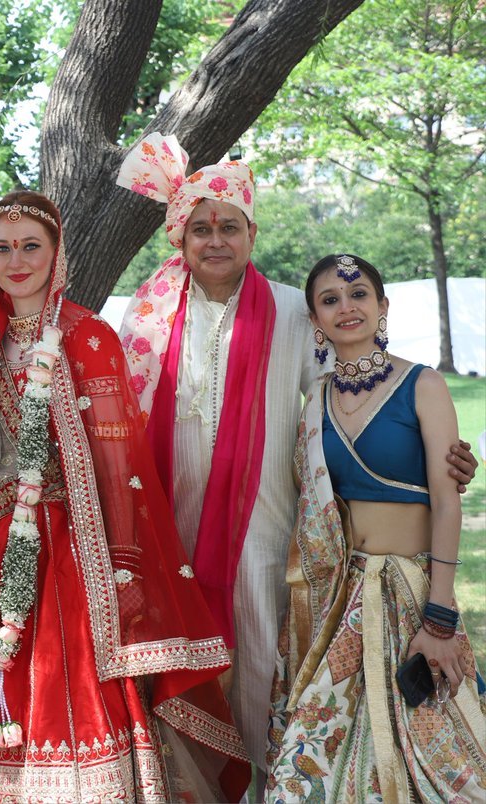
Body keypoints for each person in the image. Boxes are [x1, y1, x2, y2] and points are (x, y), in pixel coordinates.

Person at [114, 133, 478, 783]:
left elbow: (351, 397)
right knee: (173, 681)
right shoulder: (145, 319)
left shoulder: (291, 310)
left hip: (270, 536)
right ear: (181, 237)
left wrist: (433, 457)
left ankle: (263, 787)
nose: (216, 239)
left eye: (230, 225)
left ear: (251, 235)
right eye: (201, 227)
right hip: (170, 534)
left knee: (262, 669)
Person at [0, 191, 250, 802]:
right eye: (2, 248)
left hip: (71, 554)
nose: (16, 260)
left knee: (72, 694)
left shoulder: (85, 336)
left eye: (31, 246)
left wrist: (127, 563)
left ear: (57, 255)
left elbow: (120, 464)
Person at [265, 254, 486, 802]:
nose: (347, 307)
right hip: (341, 603)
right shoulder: (313, 401)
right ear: (315, 319)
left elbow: (447, 501)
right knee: (305, 768)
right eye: (331, 300)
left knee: (438, 760)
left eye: (359, 294)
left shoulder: (423, 384)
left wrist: (439, 617)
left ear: (382, 306)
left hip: (411, 595)